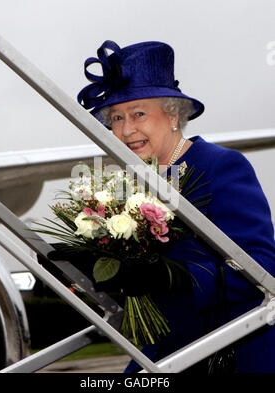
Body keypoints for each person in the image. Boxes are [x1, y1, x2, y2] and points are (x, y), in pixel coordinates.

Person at [77, 40, 275, 373]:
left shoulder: (220, 166)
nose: (125, 130)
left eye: (138, 113)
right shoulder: (129, 185)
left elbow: (262, 267)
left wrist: (173, 277)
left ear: (172, 114)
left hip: (231, 355)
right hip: (164, 352)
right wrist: (93, 266)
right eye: (116, 117)